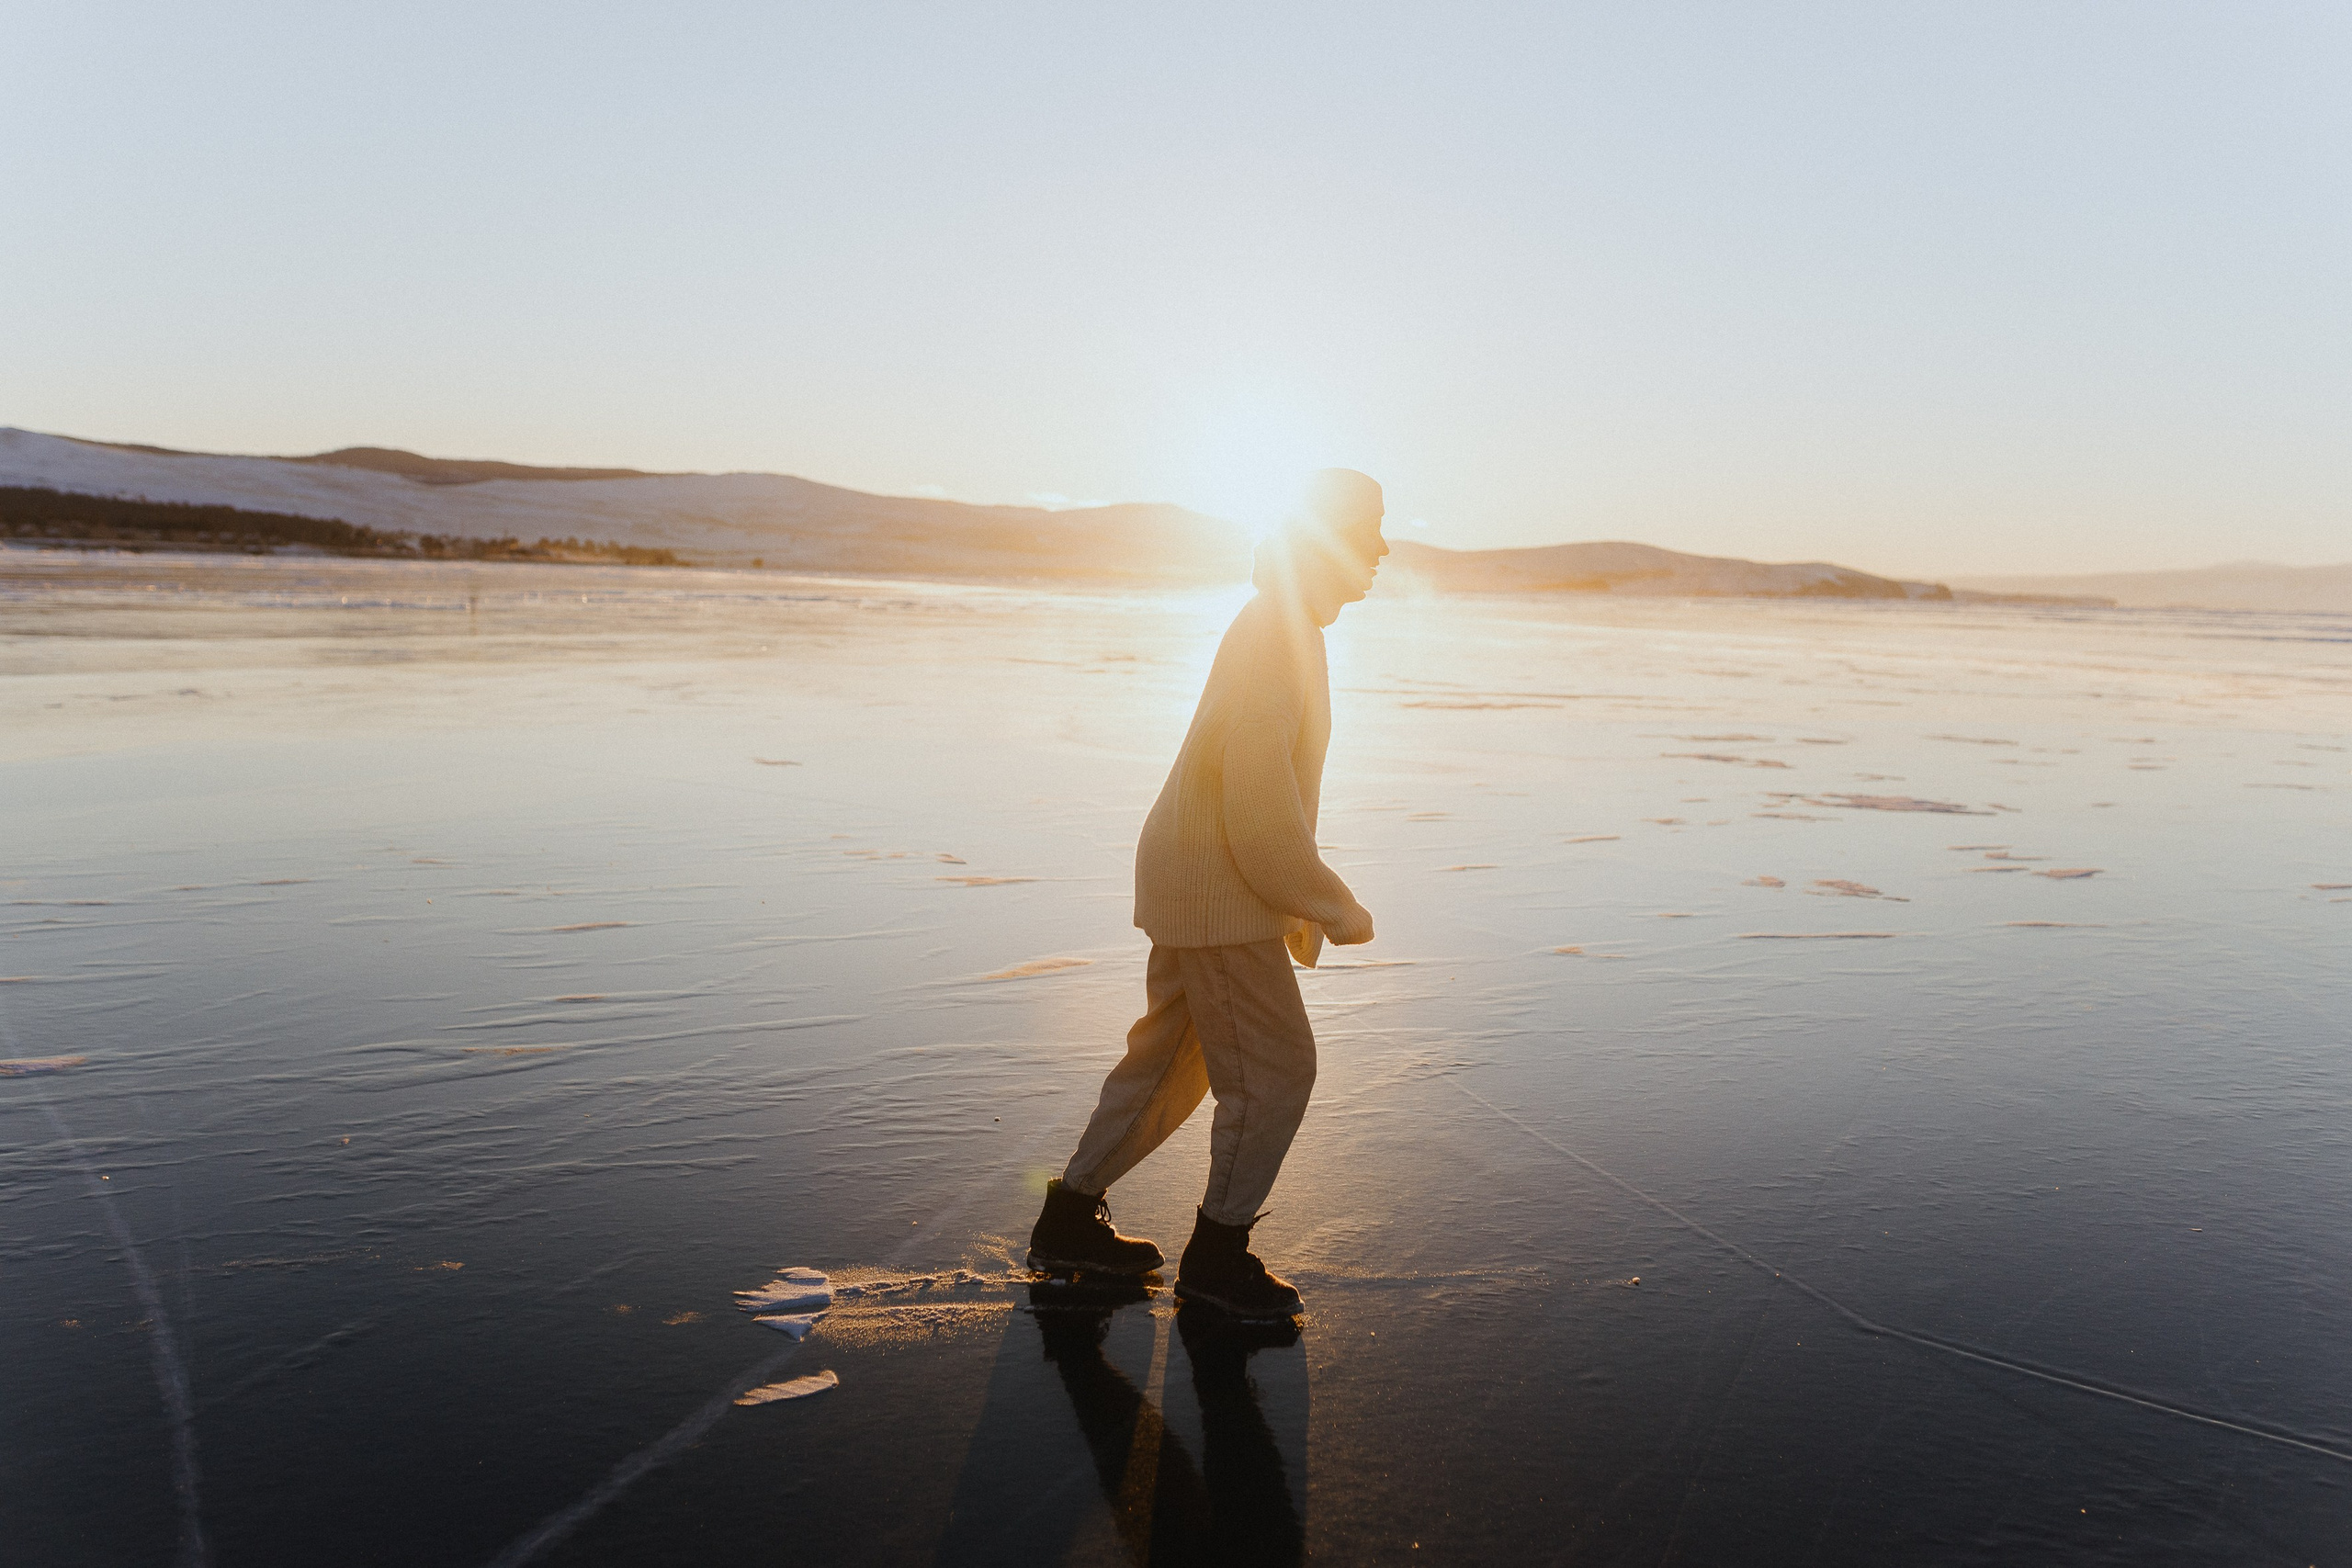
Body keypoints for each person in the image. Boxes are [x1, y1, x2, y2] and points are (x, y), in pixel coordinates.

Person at [1025, 468, 1389, 1320]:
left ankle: (1070, 1219)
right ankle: (1219, 1259)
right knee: (1276, 1070)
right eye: (1368, 529)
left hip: (1200, 872)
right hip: (1219, 882)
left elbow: (1257, 793)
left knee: (1171, 1063)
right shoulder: (1276, 634)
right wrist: (1326, 898)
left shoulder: (1284, 623)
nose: (1381, 547)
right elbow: (1256, 798)